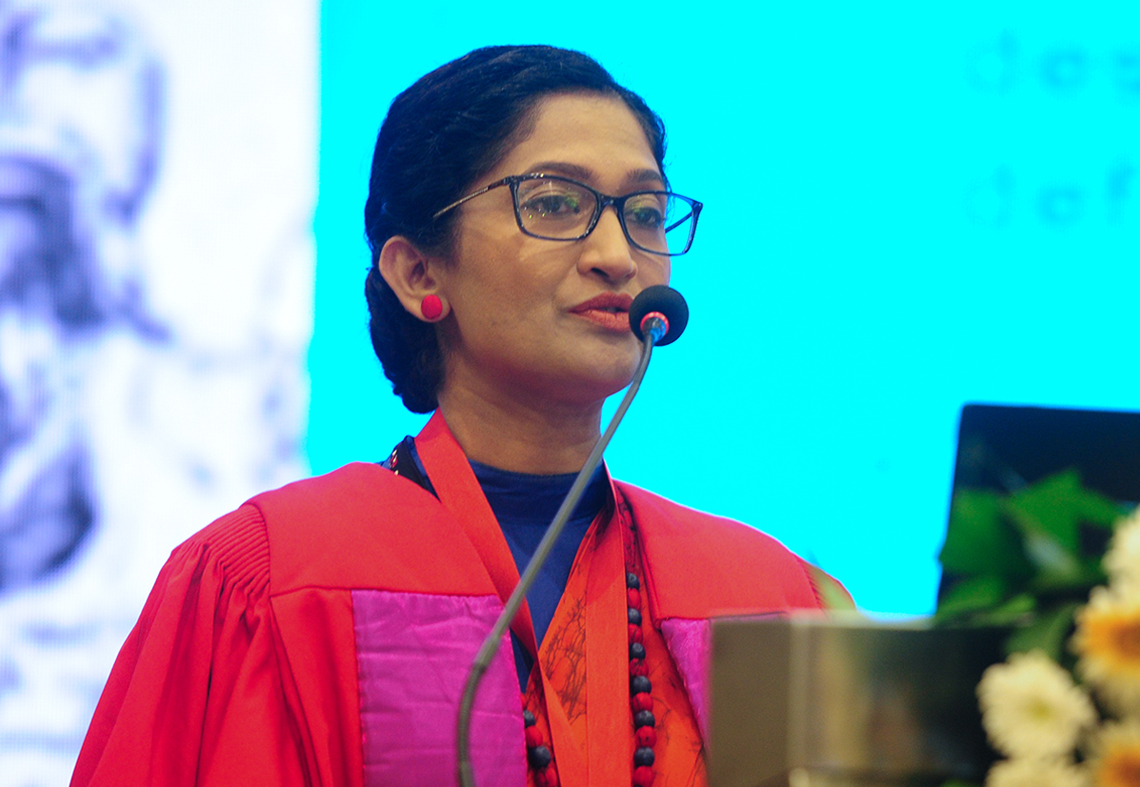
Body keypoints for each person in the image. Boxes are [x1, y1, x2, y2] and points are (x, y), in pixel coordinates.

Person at [69, 45, 845, 787]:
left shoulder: (768, 593)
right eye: (554, 203)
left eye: (643, 212)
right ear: (417, 272)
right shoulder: (264, 579)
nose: (617, 254)